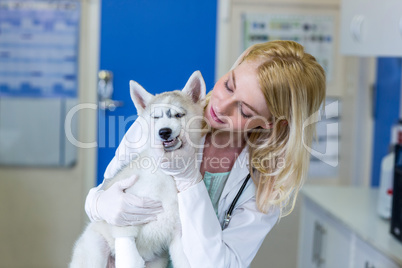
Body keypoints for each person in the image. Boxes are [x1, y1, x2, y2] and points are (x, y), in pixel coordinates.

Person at [85, 40, 326, 267]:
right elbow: (105, 193)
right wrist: (99, 203)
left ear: (271, 123)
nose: (221, 106)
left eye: (244, 109)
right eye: (229, 85)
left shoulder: (265, 184)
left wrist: (189, 179)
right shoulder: (161, 120)